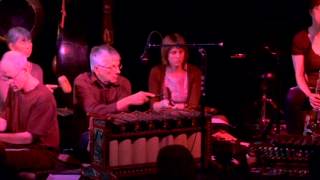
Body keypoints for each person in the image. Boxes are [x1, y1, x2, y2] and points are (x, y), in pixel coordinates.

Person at [73, 44, 155, 161]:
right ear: (96, 69)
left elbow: (122, 117)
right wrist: (127, 101)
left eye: (118, 66)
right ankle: (98, 174)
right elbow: (92, 111)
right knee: (99, 137)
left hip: (114, 131)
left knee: (136, 138)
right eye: (111, 67)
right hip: (87, 134)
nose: (117, 71)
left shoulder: (124, 82)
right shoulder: (82, 81)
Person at [0, 51, 60, 178]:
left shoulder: (43, 97)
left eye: (11, 77)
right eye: (6, 79)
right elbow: (4, 121)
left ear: (26, 69)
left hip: (41, 151)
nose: (9, 83)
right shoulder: (14, 88)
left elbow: (29, 138)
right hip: (20, 145)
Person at [285, 0, 320, 135]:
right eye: (319, 10)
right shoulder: (301, 38)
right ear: (311, 12)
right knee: (292, 98)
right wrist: (309, 95)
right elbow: (299, 75)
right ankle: (295, 141)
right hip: (309, 86)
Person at [148, 33, 202, 111]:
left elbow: (193, 105)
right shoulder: (156, 71)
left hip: (188, 117)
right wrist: (161, 104)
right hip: (163, 117)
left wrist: (181, 107)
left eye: (181, 52)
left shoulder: (194, 72)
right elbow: (153, 105)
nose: (178, 56)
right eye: (174, 52)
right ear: (166, 54)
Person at [0, 26, 47, 110]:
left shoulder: (37, 69)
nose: (29, 46)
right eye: (23, 41)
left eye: (30, 41)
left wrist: (44, 91)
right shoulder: (4, 68)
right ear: (11, 46)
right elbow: (7, 101)